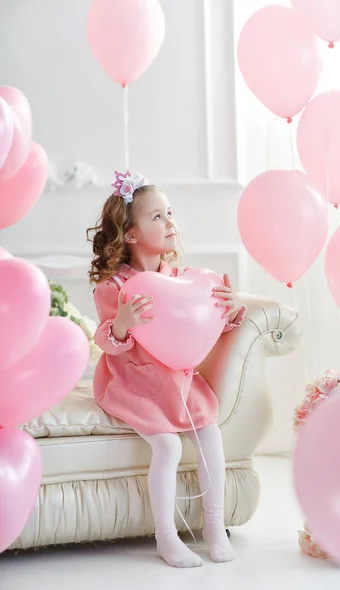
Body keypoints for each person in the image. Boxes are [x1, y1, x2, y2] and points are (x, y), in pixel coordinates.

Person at [87, 171, 246, 568]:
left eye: (169, 213)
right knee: (169, 445)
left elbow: (199, 327)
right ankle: (167, 537)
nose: (170, 221)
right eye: (157, 217)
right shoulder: (114, 287)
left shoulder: (181, 279)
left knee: (210, 434)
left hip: (175, 381)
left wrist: (229, 309)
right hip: (133, 384)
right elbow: (105, 340)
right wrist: (121, 322)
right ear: (131, 235)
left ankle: (214, 526)